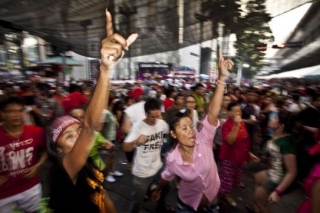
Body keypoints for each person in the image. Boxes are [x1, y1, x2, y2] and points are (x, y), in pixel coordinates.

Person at [46, 11, 137, 213]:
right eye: (69, 136)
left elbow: (102, 197)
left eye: (77, 131)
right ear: (58, 149)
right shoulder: (63, 172)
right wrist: (105, 69)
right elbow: (90, 128)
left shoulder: (90, 164)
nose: (79, 137)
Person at [152, 50, 233, 213]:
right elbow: (166, 176)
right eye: (184, 128)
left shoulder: (204, 139)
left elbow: (212, 113)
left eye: (191, 126)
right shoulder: (173, 159)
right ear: (173, 134)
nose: (191, 131)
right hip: (187, 205)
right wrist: (158, 190)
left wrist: (222, 78)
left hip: (212, 199)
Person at [123, 98, 171, 213]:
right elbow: (125, 147)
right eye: (152, 116)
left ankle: (160, 207)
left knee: (166, 187)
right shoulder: (138, 127)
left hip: (157, 166)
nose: (155, 119)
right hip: (142, 172)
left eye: (158, 116)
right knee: (137, 202)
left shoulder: (162, 124)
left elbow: (171, 132)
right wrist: (136, 142)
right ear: (146, 114)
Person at [0, 96, 48, 213]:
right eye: (11, 111)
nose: (16, 115)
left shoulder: (36, 131)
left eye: (20, 111)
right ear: (2, 114)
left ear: (25, 112)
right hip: (4, 193)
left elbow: (46, 151)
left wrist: (38, 166)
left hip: (30, 187)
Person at [247, 111, 297, 213]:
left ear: (281, 125)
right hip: (273, 170)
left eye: (275, 118)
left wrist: (277, 192)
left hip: (278, 178)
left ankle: (259, 204)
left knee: (260, 201)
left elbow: (292, 173)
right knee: (257, 178)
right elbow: (276, 157)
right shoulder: (276, 136)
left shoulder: (286, 144)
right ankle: (256, 208)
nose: (271, 119)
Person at [218, 101, 259, 206]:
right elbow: (230, 141)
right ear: (228, 113)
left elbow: (245, 140)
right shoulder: (226, 125)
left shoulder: (243, 123)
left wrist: (249, 154)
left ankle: (225, 192)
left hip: (240, 158)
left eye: (239, 111)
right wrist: (236, 125)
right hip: (229, 158)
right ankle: (221, 196)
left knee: (235, 179)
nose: (238, 113)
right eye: (235, 111)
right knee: (227, 182)